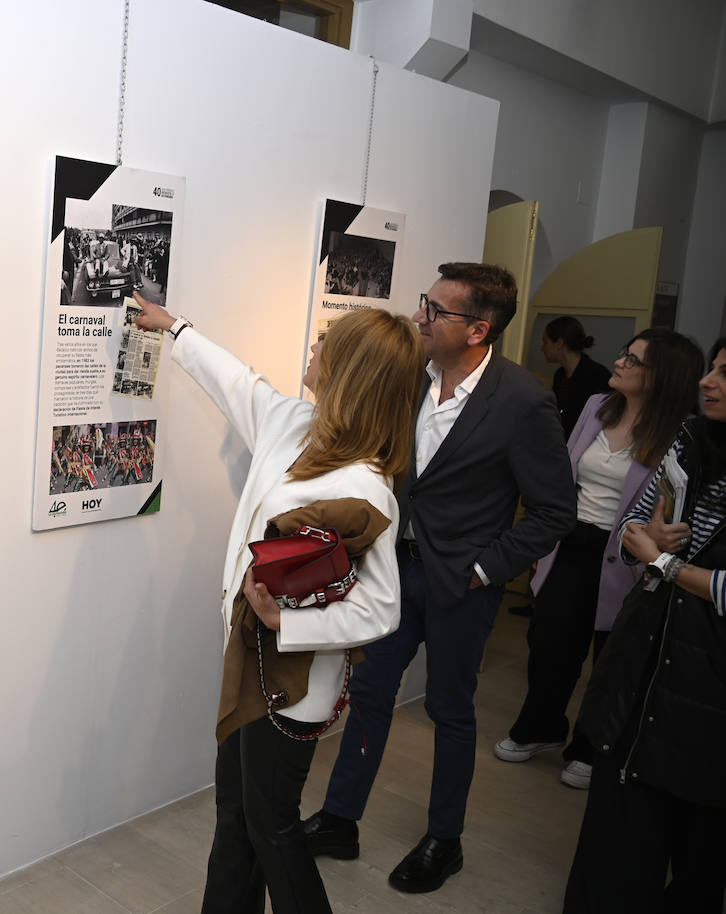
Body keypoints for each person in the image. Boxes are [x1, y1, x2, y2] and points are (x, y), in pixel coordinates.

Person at [133, 291, 425, 914]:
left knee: (270, 827)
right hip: (249, 666)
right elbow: (238, 383)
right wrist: (175, 329)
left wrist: (283, 620)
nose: (313, 348)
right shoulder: (293, 423)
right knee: (237, 817)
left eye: (327, 345)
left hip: (291, 683)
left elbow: (382, 609)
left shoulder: (365, 485)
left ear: (349, 374)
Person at [303, 263, 576, 894]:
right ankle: (340, 820)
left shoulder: (522, 400)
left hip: (462, 585)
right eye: (425, 302)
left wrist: (485, 569)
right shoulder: (410, 377)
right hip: (393, 572)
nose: (420, 316)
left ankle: (444, 840)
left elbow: (555, 511)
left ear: (479, 330)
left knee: (449, 711)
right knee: (370, 694)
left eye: (436, 310)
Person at [496, 329, 704, 788]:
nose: (620, 362)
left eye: (634, 360)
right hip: (570, 543)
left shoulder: (683, 432)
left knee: (612, 656)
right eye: (624, 353)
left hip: (628, 555)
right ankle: (540, 727)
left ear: (662, 376)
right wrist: (543, 544)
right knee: (550, 643)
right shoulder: (596, 406)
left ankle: (591, 748)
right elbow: (563, 476)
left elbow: (678, 506)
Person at [563, 337, 726, 913]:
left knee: (698, 837)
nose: (709, 382)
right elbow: (633, 525)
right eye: (713, 369)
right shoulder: (690, 439)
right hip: (648, 650)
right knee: (621, 815)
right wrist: (650, 542)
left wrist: (665, 563)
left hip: (709, 677)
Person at [542, 315, 611, 439]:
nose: (542, 348)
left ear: (559, 343)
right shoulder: (560, 375)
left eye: (545, 342)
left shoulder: (598, 376)